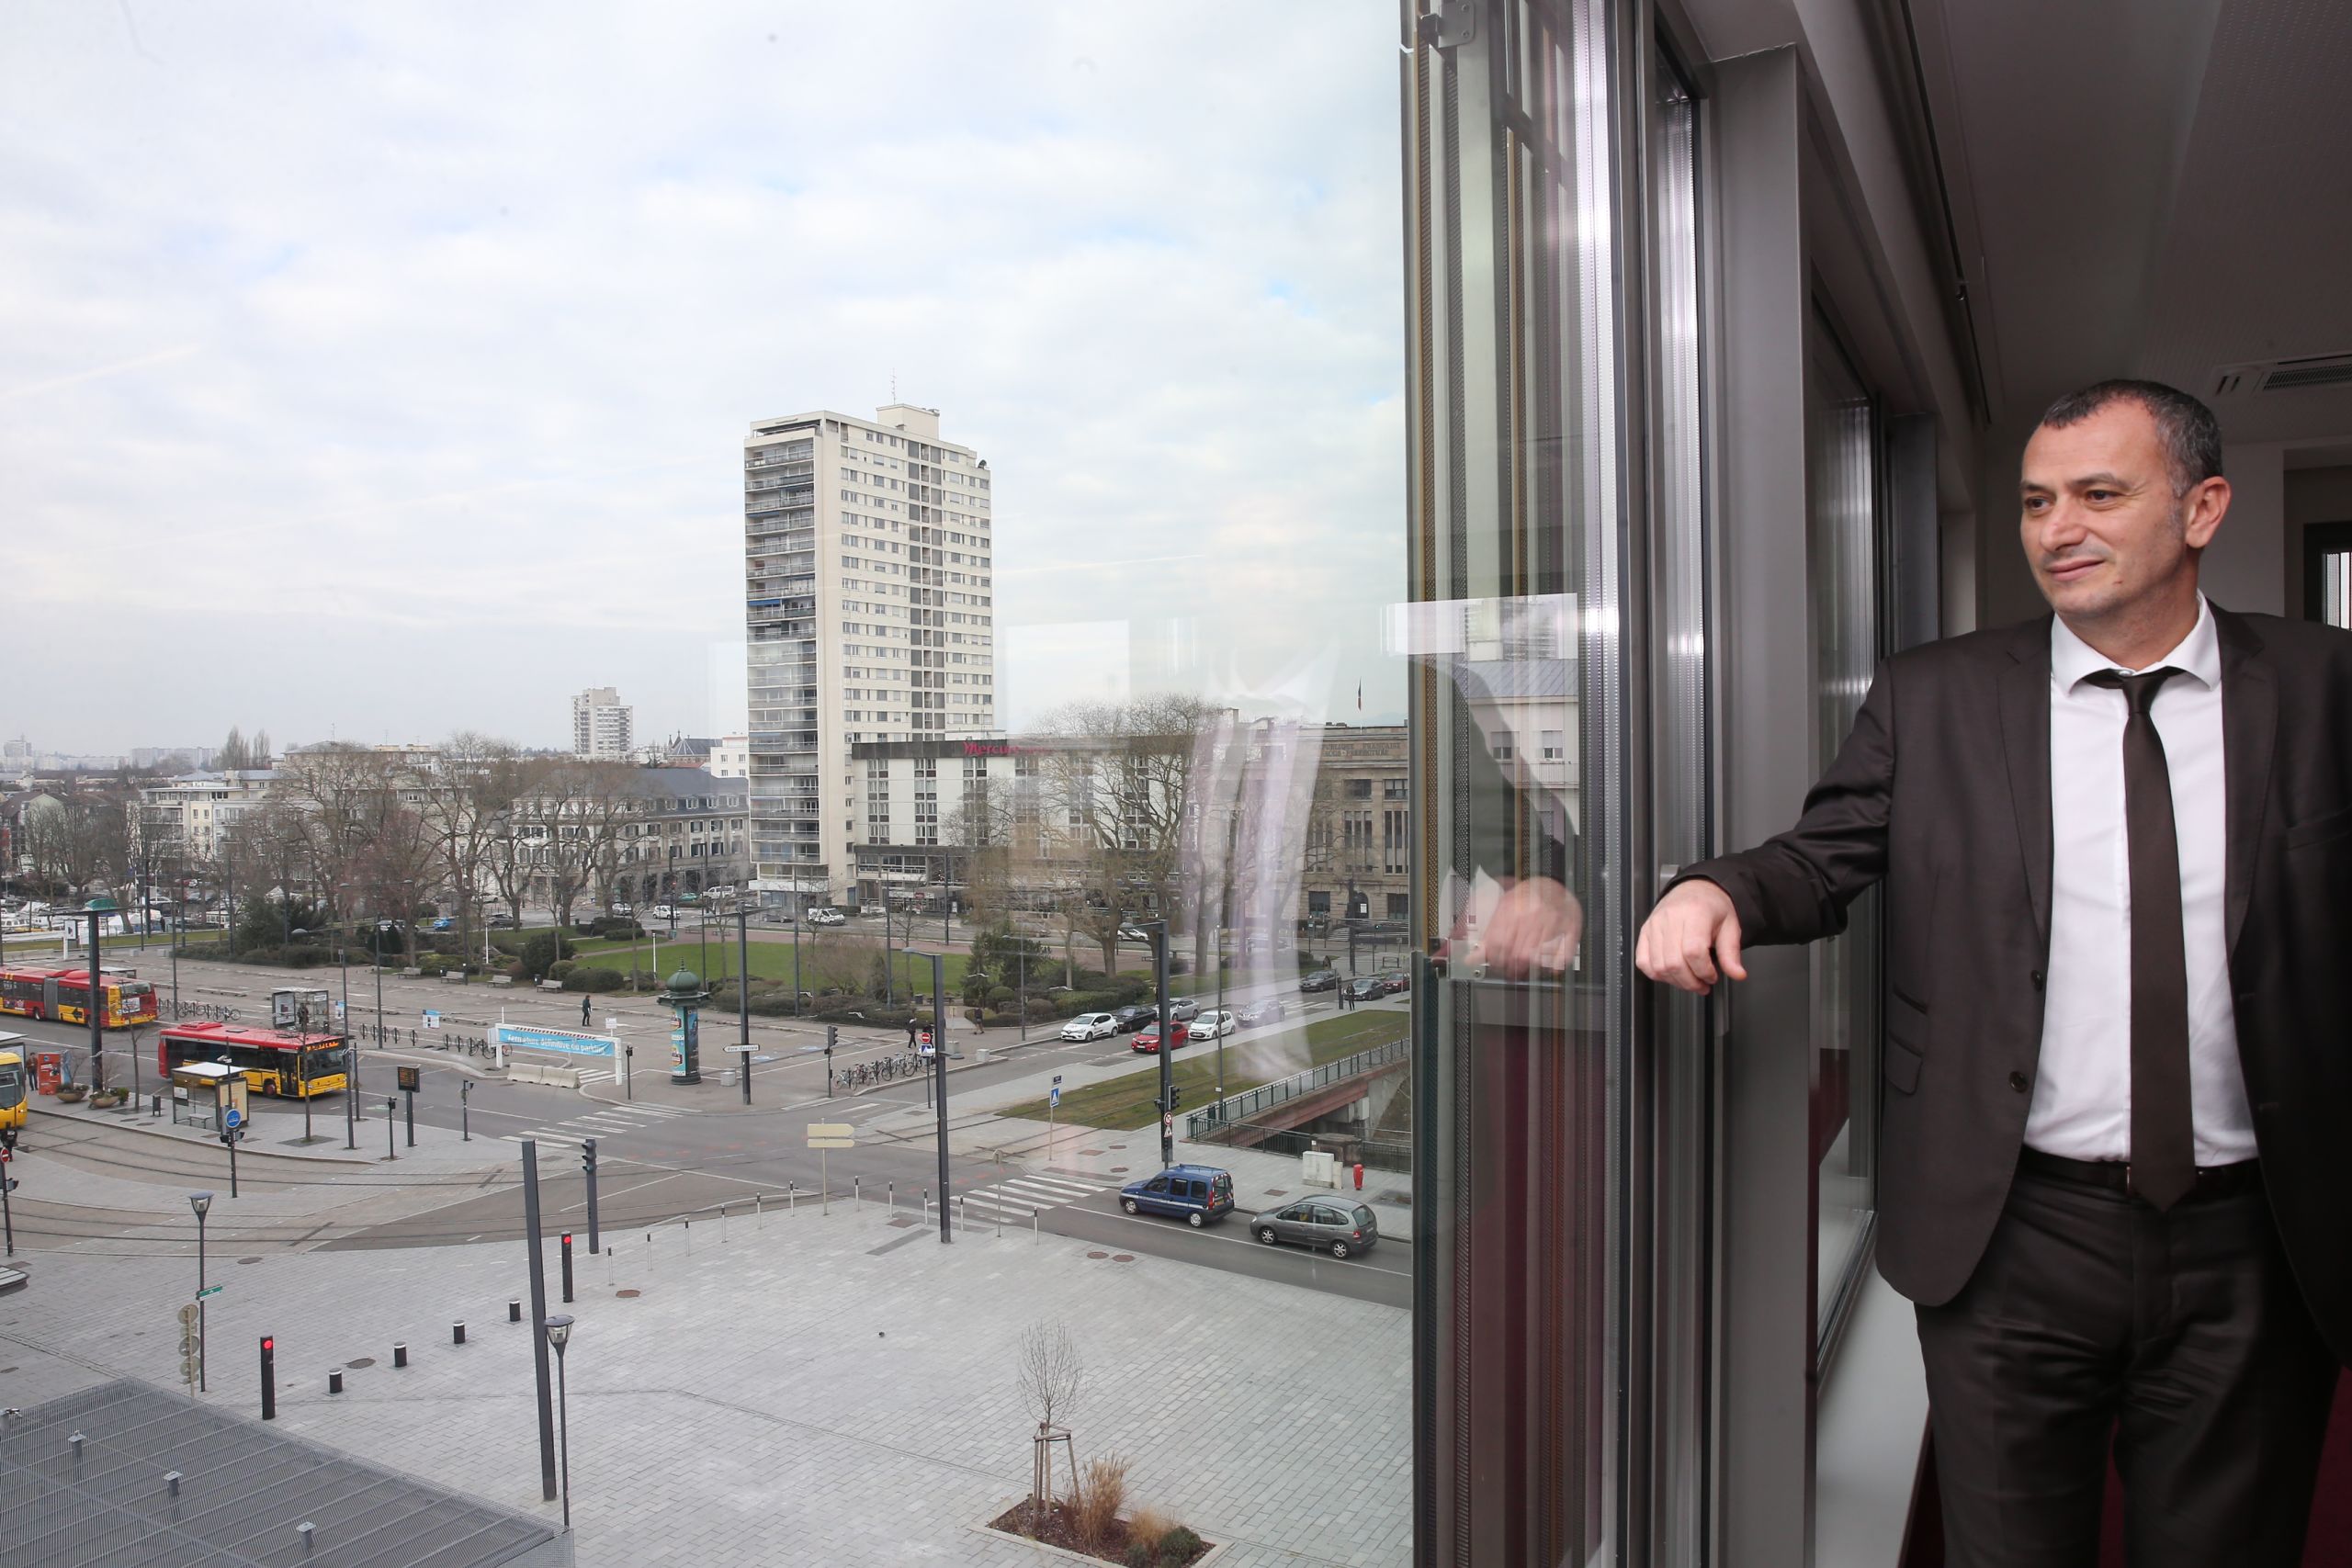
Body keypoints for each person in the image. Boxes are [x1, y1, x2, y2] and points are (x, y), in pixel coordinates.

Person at [1634, 380, 2347, 1566]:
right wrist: (1712, 890)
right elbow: (1820, 857)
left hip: (2260, 1239)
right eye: (2034, 502)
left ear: (2203, 508)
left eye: (2098, 495)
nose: (2058, 528)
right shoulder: (1936, 694)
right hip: (2012, 1233)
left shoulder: (2327, 686)